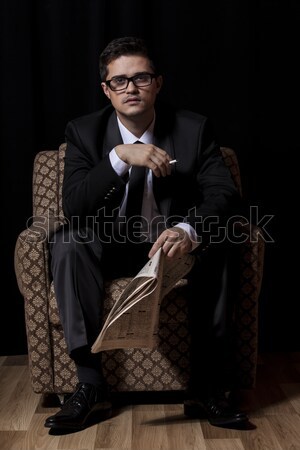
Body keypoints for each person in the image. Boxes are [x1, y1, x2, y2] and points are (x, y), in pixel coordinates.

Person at [45, 36, 249, 432]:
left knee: (225, 239)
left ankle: (206, 387)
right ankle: (89, 385)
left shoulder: (193, 129)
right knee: (68, 241)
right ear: (107, 90)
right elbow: (75, 207)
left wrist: (189, 229)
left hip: (171, 248)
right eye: (119, 81)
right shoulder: (84, 132)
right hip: (112, 247)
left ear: (158, 83)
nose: (131, 88)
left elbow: (224, 193)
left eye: (141, 77)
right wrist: (119, 158)